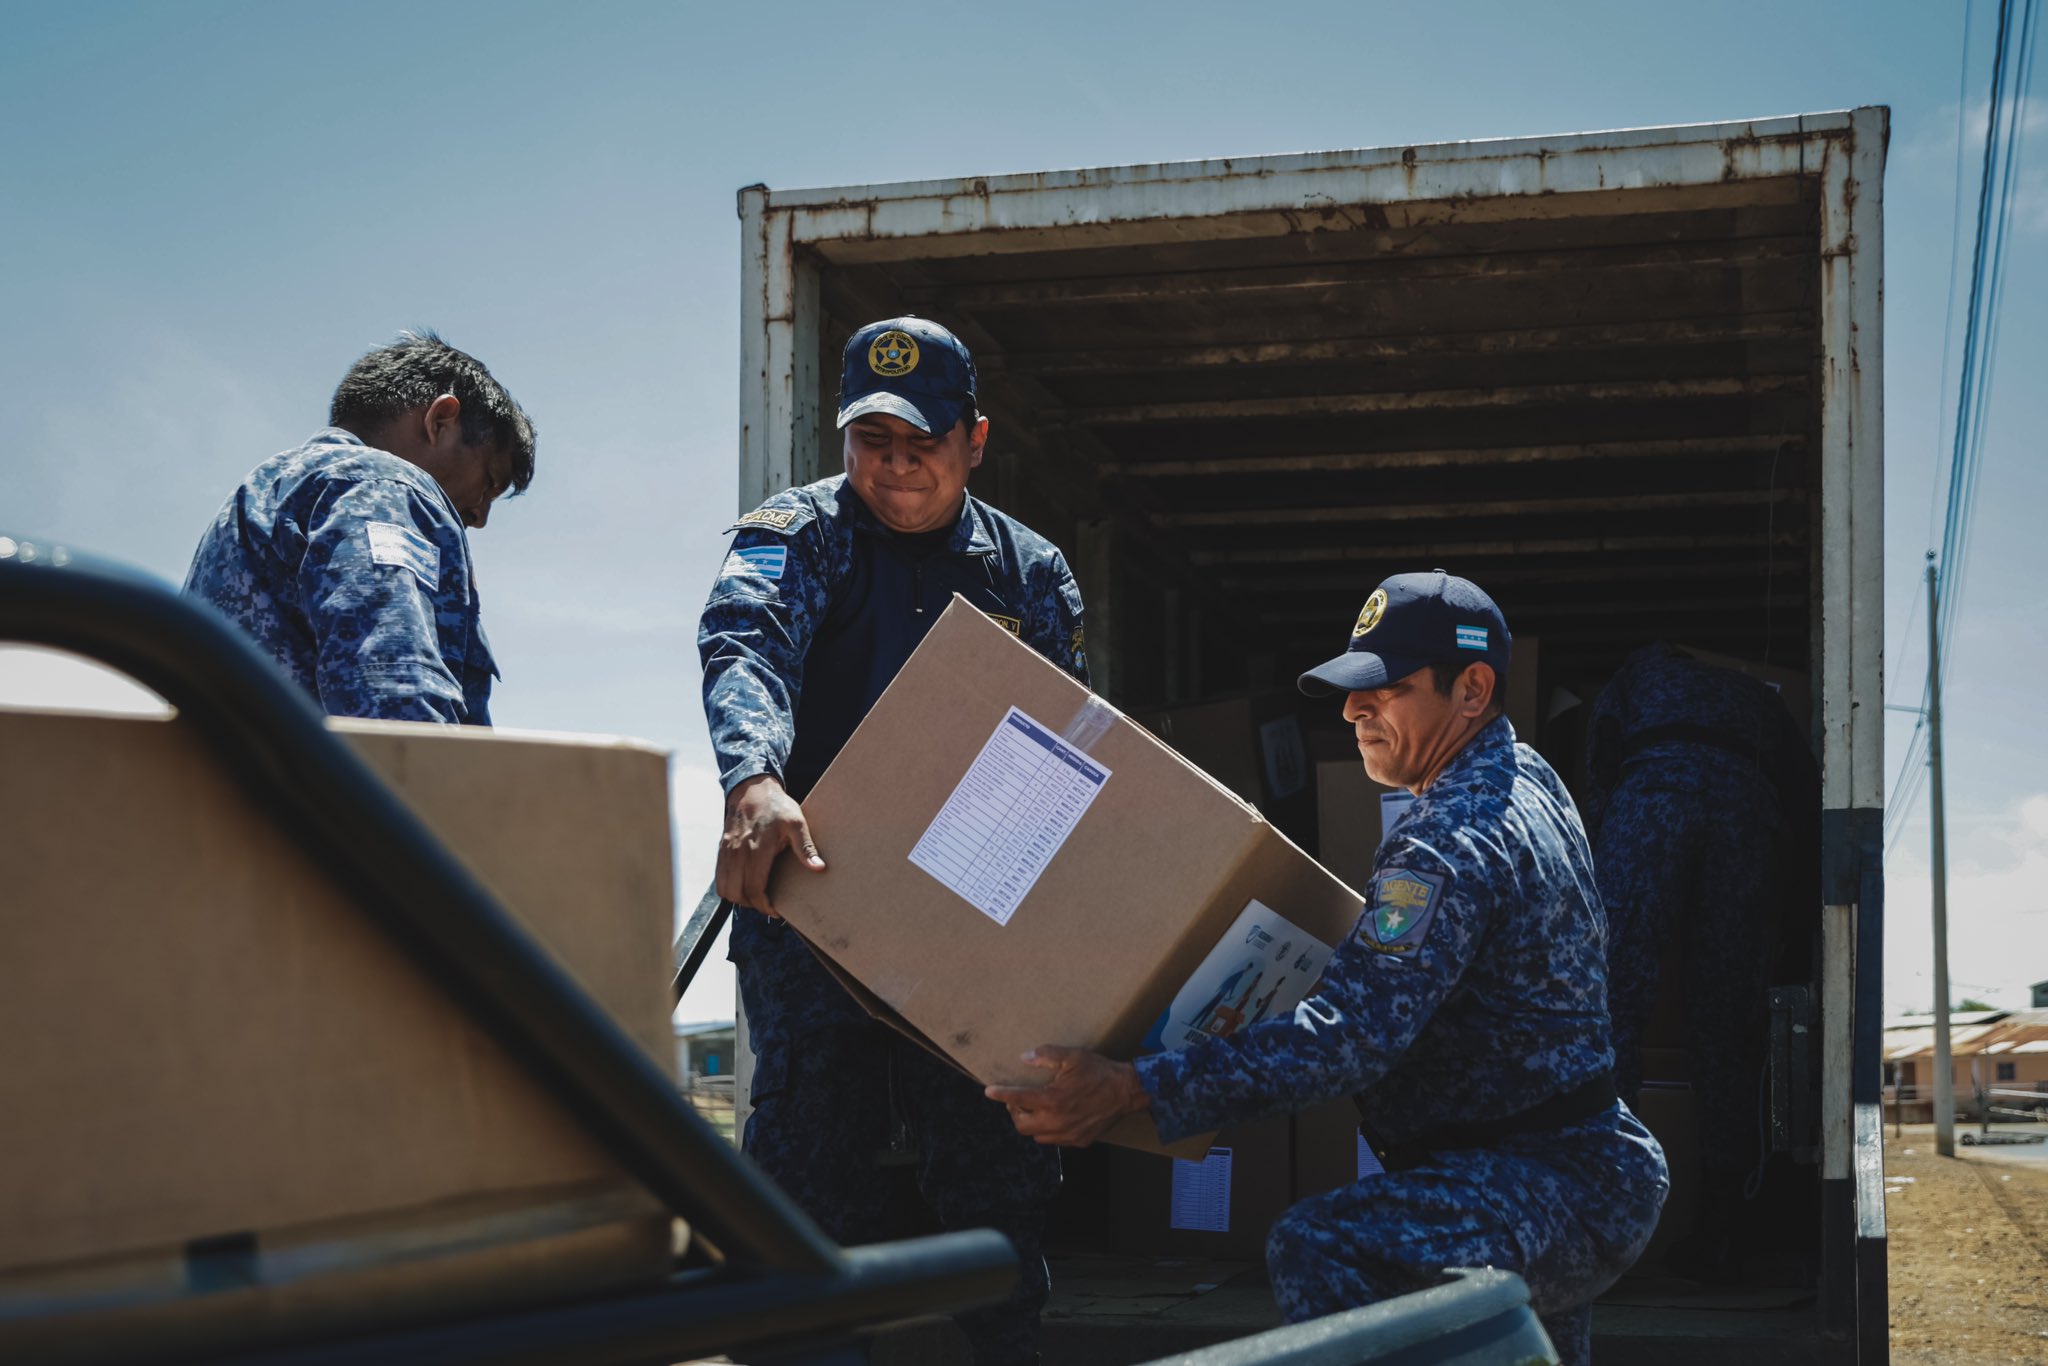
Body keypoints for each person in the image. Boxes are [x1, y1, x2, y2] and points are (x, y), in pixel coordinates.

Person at [987, 570, 1667, 1365]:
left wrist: (1135, 1087)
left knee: (1321, 1245)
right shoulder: (1529, 778)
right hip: (1576, 1171)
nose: (1353, 711)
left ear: (1473, 689)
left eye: (1387, 688)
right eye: (1353, 691)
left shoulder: (1445, 839)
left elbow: (1348, 1039)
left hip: (1536, 1180)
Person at [698, 316, 1087, 1366]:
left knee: (993, 1179)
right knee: (807, 1175)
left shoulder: (1029, 572)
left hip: (971, 917)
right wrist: (754, 778)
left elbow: (1070, 745)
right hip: (813, 905)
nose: (898, 464)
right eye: (874, 440)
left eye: (924, 441)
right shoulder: (797, 535)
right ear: (842, 437)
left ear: (975, 440)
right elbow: (745, 646)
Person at [1581, 642, 1820, 1281]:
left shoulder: (1638, 669)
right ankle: (1722, 1228)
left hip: (1652, 799)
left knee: (1611, 1004)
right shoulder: (1759, 697)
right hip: (1745, 814)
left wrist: (1598, 854)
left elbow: (1602, 759)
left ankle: (1607, 1220)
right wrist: (1798, 914)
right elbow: (1806, 795)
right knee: (1725, 1022)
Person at [184, 330, 534, 725]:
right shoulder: (380, 485)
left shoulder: (265, 491)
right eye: (489, 483)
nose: (480, 517)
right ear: (440, 420)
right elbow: (393, 691)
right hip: (329, 767)